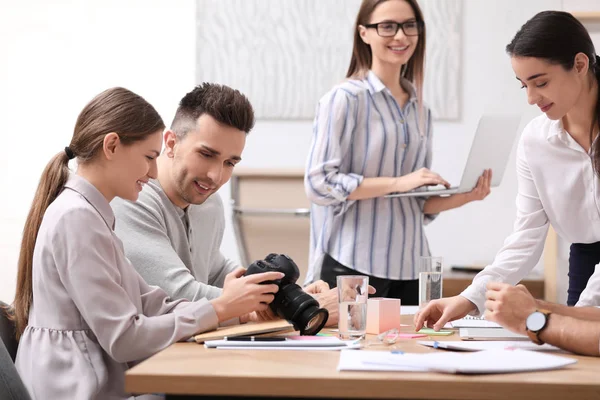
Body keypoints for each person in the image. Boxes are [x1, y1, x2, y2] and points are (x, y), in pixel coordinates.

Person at [12, 87, 282, 399]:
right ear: (112, 146)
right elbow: (123, 338)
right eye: (149, 157)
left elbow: (151, 302)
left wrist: (233, 309)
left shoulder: (91, 215)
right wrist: (220, 307)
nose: (154, 171)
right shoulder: (77, 218)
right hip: (76, 388)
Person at [415, 10, 600, 332]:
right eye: (523, 86)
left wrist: (576, 316)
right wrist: (469, 298)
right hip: (584, 262)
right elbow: (526, 236)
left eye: (540, 83)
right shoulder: (537, 140)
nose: (531, 99)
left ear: (580, 65)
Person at [304, 0, 491, 304]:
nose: (401, 36)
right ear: (364, 33)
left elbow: (414, 205)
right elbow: (319, 183)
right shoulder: (344, 99)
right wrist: (397, 182)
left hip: (412, 269)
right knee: (347, 351)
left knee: (415, 350)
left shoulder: (421, 110)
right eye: (387, 26)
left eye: (409, 25)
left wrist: (466, 196)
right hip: (352, 263)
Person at [111, 83, 341, 325]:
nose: (216, 176)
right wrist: (281, 310)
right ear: (170, 143)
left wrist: (290, 296)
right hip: (144, 359)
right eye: (206, 155)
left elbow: (217, 272)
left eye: (230, 163)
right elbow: (178, 295)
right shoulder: (133, 199)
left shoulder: (208, 203)